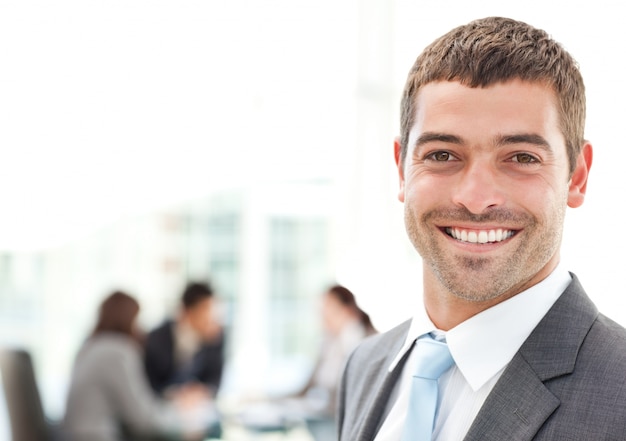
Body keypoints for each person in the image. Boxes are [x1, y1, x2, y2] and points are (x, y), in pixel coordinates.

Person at [337, 16, 626, 441]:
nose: (475, 197)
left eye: (522, 157)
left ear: (577, 177)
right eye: (441, 154)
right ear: (401, 169)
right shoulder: (365, 365)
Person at [63, 291, 216, 441]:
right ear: (127, 319)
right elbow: (143, 421)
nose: (141, 328)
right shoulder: (118, 351)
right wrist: (184, 422)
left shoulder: (90, 346)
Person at [144, 281, 225, 400]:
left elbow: (214, 381)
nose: (212, 317)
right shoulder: (157, 338)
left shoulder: (216, 337)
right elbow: (149, 384)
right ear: (188, 311)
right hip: (162, 406)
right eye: (206, 310)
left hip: (198, 407)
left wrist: (203, 391)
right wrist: (174, 394)